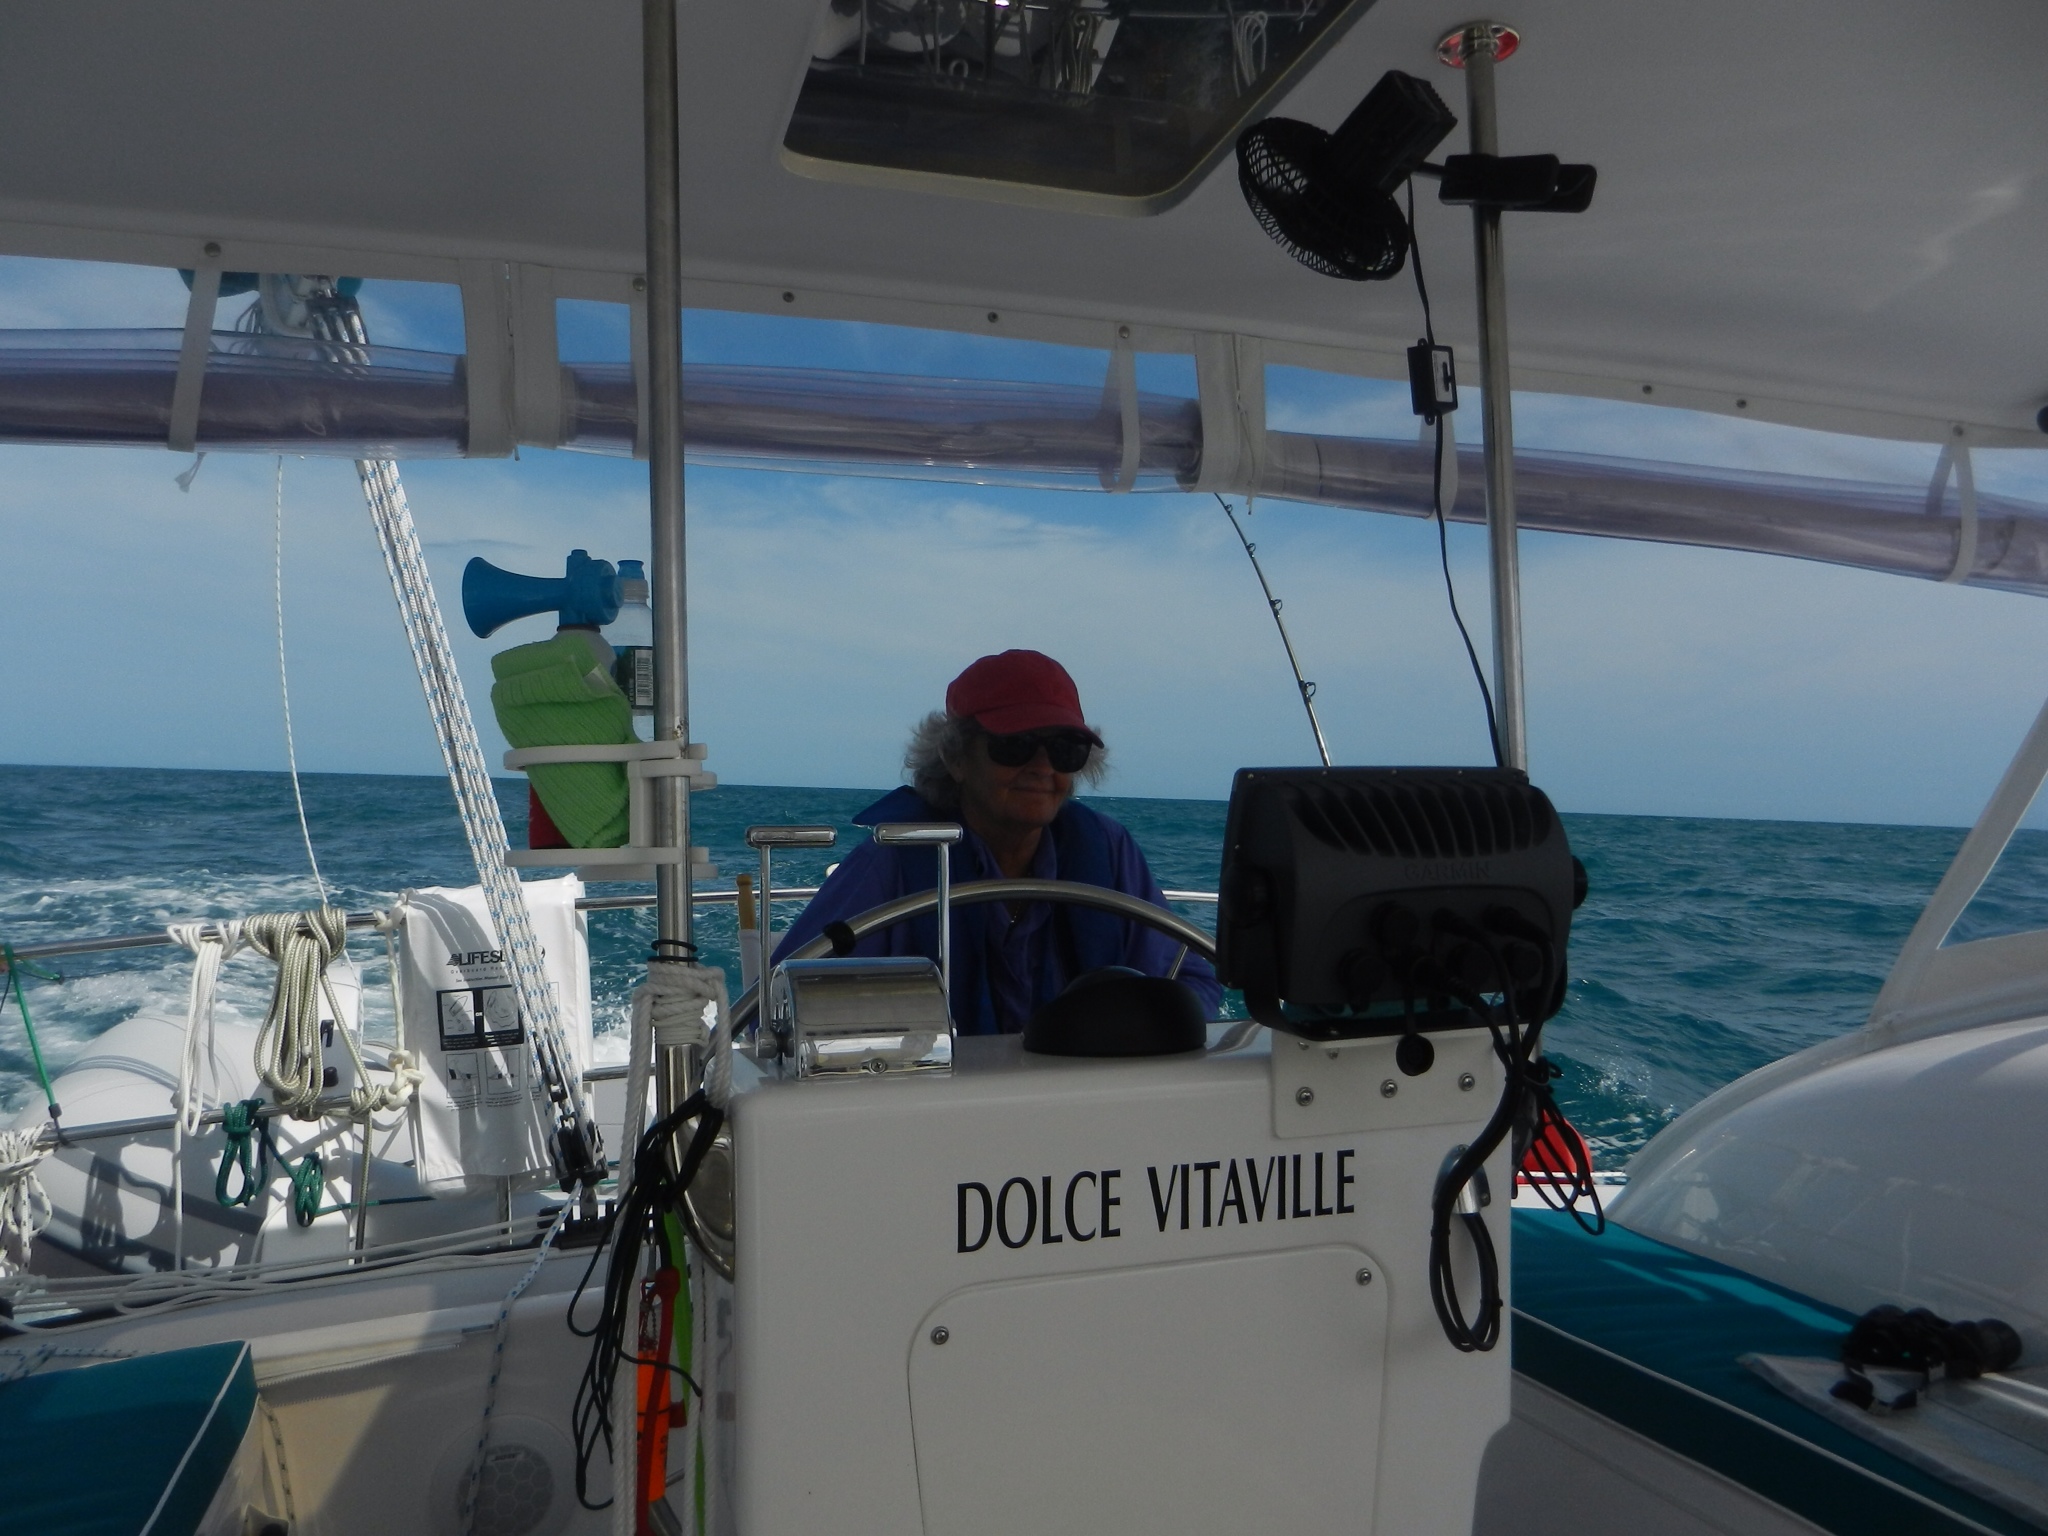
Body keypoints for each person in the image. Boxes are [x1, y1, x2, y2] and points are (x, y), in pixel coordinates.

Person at [773, 650, 1223, 1034]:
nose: (1043, 766)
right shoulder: (894, 862)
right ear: (956, 758)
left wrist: (1130, 1033)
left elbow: (1192, 982)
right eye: (1016, 744)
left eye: (1065, 749)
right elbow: (780, 1006)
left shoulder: (1108, 849)